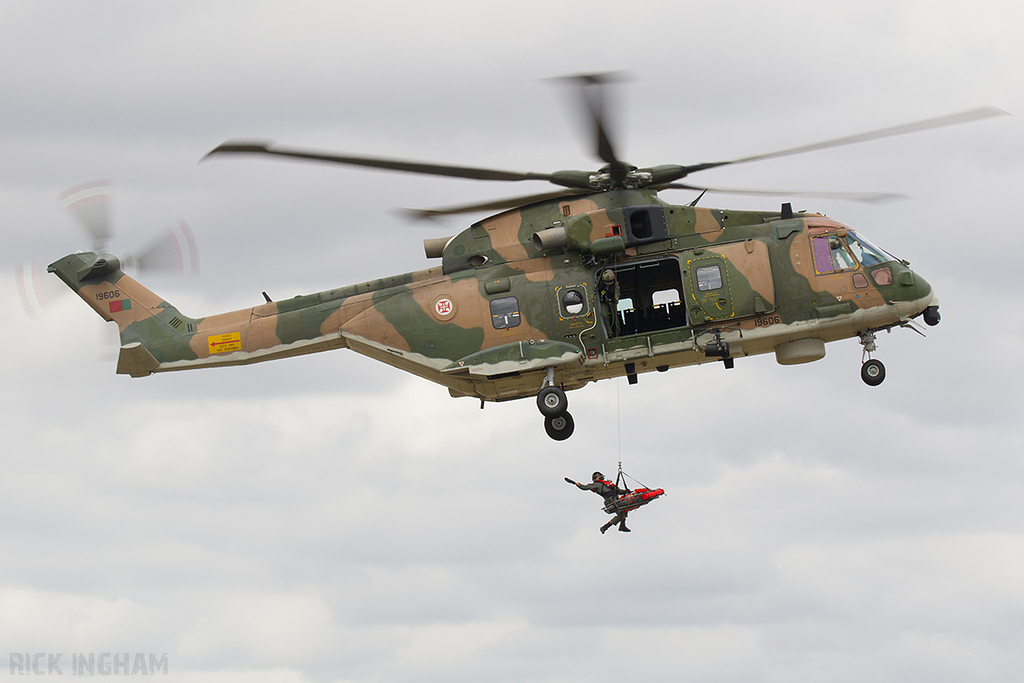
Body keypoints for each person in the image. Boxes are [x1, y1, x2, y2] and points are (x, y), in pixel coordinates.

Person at [565, 471, 632, 533]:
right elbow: (585, 487)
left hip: (616, 500)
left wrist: (626, 491)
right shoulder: (597, 485)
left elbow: (619, 491)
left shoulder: (608, 484)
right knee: (621, 515)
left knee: (625, 510)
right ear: (596, 478)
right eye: (599, 476)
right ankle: (605, 527)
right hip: (610, 501)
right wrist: (575, 483)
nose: (601, 477)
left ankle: (622, 526)